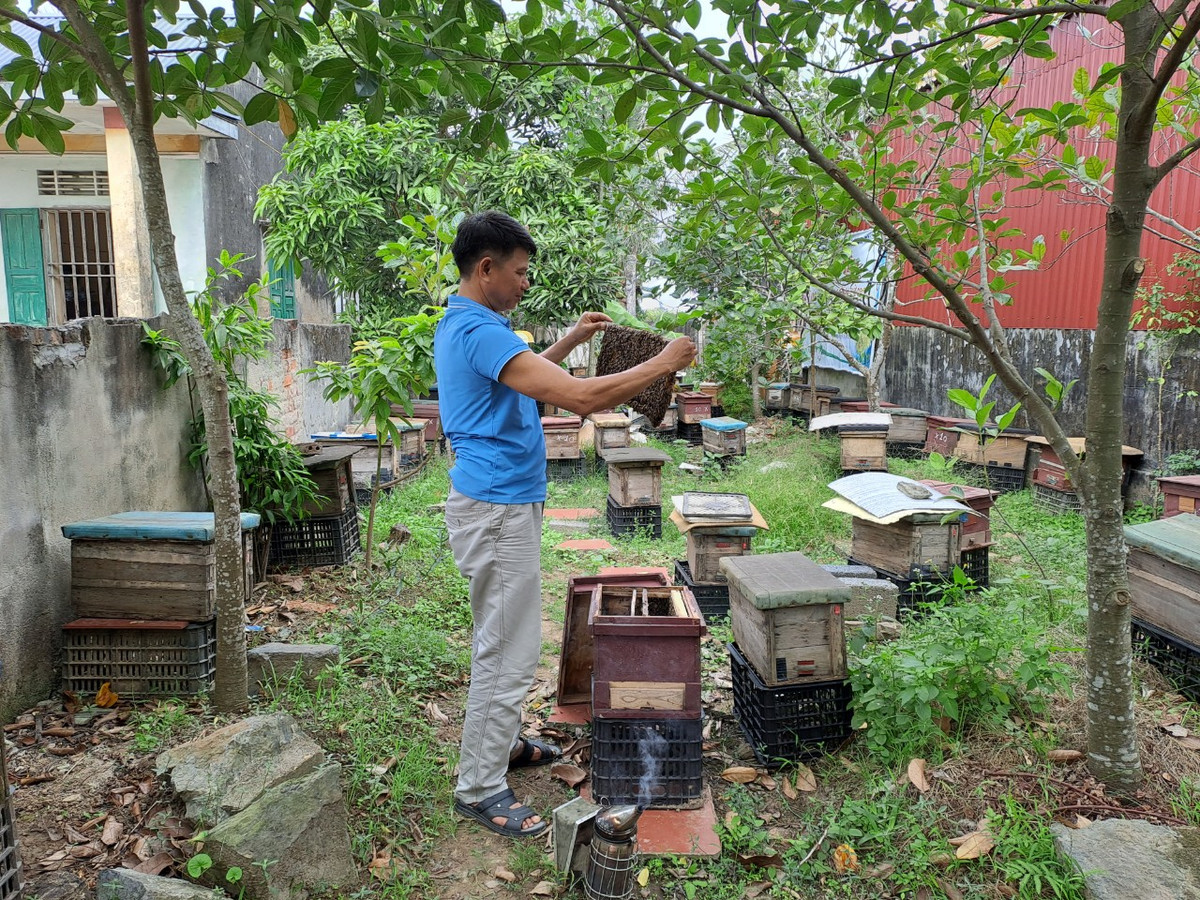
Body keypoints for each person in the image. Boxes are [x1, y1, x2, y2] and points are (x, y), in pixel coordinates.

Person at [434, 210, 697, 839]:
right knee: (509, 649)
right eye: (520, 273)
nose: (527, 283)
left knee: (504, 634)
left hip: (496, 503)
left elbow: (524, 381)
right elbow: (575, 399)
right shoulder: (480, 329)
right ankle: (479, 786)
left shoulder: (471, 325)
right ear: (487, 268)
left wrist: (573, 341)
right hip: (496, 509)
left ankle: (501, 743)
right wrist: (661, 364)